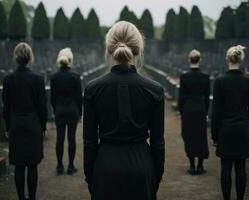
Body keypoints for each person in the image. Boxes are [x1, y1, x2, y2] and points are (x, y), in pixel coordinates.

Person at [83, 21, 165, 200]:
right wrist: (155, 176)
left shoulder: (92, 89)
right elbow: (158, 142)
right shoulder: (155, 90)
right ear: (139, 48)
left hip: (105, 167)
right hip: (141, 167)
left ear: (109, 48)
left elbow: (89, 142)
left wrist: (91, 176)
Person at [2, 42, 47, 200]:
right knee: (32, 164)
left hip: (16, 125)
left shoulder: (7, 80)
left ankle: (21, 198)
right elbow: (42, 107)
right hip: (33, 124)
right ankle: (32, 198)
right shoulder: (38, 79)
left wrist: (7, 128)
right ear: (30, 57)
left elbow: (6, 108)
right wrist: (42, 127)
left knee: (19, 165)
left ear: (15, 57)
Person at [211, 45, 249, 200]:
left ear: (227, 60)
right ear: (241, 60)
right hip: (243, 130)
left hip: (225, 130)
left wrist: (214, 134)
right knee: (241, 167)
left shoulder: (220, 82)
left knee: (226, 168)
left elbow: (216, 111)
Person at [50, 48, 82, 175]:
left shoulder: (54, 77)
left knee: (59, 138)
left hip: (60, 111)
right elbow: (79, 98)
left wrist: (55, 109)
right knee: (71, 138)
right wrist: (80, 113)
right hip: (72, 111)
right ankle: (70, 166)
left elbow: (52, 98)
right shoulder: (75, 76)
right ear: (70, 60)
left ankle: (59, 166)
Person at [178, 50, 210, 175]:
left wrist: (181, 111)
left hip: (187, 109)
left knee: (189, 135)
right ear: (199, 60)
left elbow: (181, 97)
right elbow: (207, 97)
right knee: (201, 136)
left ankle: (192, 165)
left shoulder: (184, 77)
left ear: (189, 60)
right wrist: (206, 111)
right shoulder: (205, 77)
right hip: (200, 108)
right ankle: (200, 166)